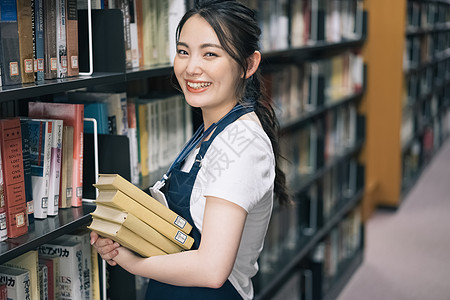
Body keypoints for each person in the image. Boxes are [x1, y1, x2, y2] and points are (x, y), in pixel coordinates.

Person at [90, 1, 290, 299]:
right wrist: (122, 239)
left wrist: (131, 263)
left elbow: (211, 269)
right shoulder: (211, 129)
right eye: (184, 51)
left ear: (249, 65)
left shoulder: (243, 144)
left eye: (210, 54)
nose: (191, 67)